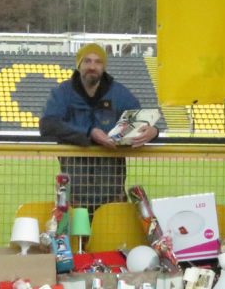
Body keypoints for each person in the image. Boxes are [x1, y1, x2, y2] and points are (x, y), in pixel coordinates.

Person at [39, 43, 158, 214]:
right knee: (77, 239)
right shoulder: (62, 93)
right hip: (74, 196)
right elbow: (48, 125)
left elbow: (141, 122)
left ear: (104, 67)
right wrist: (89, 133)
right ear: (78, 64)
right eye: (87, 61)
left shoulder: (119, 93)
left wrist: (153, 131)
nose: (92, 66)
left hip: (112, 195)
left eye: (98, 62)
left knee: (111, 239)